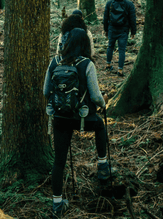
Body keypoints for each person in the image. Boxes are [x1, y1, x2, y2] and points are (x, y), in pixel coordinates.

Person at [43, 28, 113, 218]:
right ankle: (103, 166)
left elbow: (45, 91)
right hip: (82, 118)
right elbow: (96, 96)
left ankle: (57, 204)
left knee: (59, 161)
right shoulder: (87, 64)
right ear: (85, 44)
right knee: (99, 126)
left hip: (60, 119)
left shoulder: (54, 62)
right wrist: (103, 103)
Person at [103, 0, 137, 77]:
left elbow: (105, 18)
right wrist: (133, 31)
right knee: (122, 50)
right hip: (124, 29)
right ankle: (120, 70)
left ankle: (108, 64)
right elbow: (132, 18)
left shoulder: (109, 3)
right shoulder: (129, 3)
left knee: (110, 46)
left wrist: (105, 29)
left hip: (112, 28)